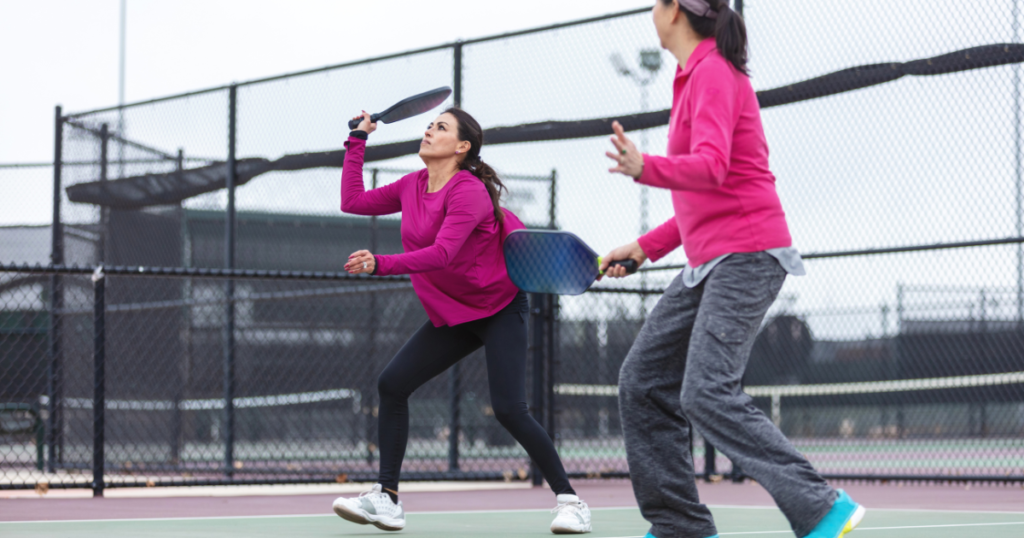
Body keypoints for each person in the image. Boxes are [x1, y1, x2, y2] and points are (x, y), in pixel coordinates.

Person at [599, 1, 865, 538]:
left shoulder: (715, 73)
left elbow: (713, 166)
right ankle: (680, 526)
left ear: (675, 11)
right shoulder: (688, 78)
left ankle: (822, 506)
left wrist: (644, 167)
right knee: (642, 382)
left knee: (706, 391)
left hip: (748, 253)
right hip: (708, 261)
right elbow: (700, 197)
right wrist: (645, 247)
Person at [330, 107, 592, 534]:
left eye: (441, 127)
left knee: (509, 408)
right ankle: (387, 498)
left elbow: (442, 254)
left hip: (499, 306)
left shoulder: (467, 191)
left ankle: (571, 501)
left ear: (462, 146)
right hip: (454, 312)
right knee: (392, 385)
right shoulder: (412, 185)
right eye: (430, 125)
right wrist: (358, 141)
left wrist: (381, 263)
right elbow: (352, 201)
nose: (429, 131)